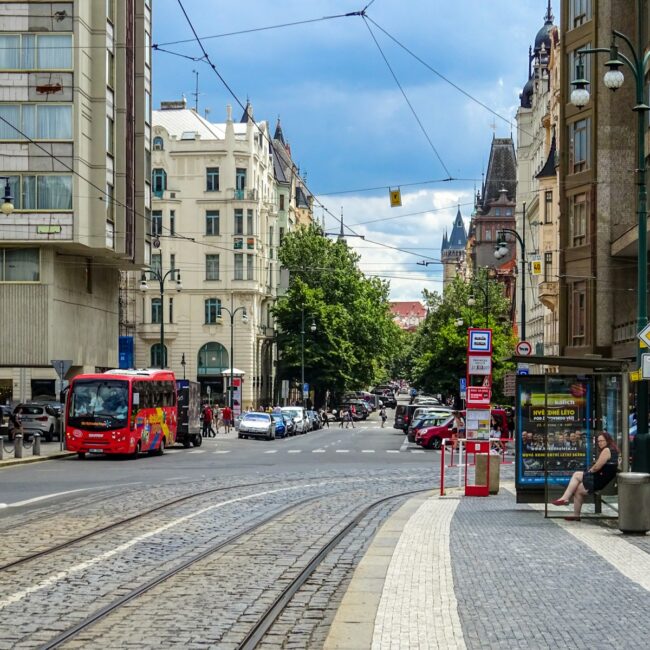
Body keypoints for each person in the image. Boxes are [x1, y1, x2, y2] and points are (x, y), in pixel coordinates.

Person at [552, 431, 619, 520]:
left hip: (599, 479)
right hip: (603, 479)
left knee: (576, 475)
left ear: (607, 440)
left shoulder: (607, 450)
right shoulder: (613, 450)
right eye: (598, 441)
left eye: (602, 441)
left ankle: (565, 498)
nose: (600, 443)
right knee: (578, 490)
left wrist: (589, 472)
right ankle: (575, 515)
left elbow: (597, 467)